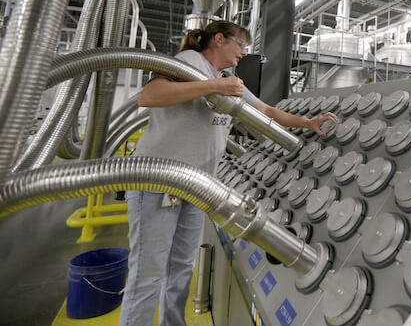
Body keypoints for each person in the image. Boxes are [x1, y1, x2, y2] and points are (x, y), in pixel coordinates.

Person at [118, 20, 337, 326]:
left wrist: (307, 122)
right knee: (148, 275)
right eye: (241, 46)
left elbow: (266, 111)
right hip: (158, 182)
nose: (243, 54)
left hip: (197, 187)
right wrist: (214, 87)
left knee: (181, 269)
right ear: (219, 40)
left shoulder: (227, 77)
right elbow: (150, 96)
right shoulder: (191, 62)